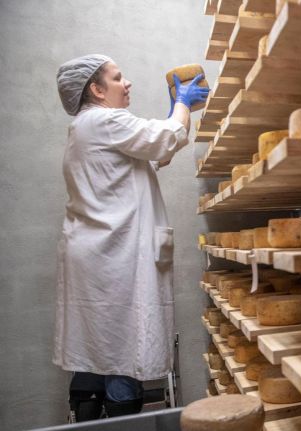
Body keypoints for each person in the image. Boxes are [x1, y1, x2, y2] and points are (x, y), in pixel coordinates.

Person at [54, 54, 209, 421]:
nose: (127, 84)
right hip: (114, 258)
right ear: (96, 89)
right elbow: (164, 139)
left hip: (98, 255)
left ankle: (91, 416)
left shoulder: (86, 127)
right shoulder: (104, 121)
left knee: (98, 350)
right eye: (117, 78)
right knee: (124, 351)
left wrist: (175, 116)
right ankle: (124, 421)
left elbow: (150, 156)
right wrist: (182, 104)